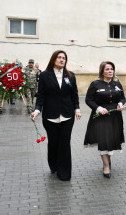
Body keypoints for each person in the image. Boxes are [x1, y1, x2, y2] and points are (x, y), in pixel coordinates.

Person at [31, 50, 81, 181]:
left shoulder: (70, 76)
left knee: (64, 143)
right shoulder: (45, 75)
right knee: (53, 142)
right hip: (50, 115)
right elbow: (41, 95)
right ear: (53, 59)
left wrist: (77, 109)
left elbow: (74, 94)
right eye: (59, 57)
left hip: (67, 114)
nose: (62, 60)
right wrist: (37, 110)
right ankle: (53, 164)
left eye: (64, 58)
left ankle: (64, 173)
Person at [84, 61, 126, 179]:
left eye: (112, 69)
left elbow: (122, 97)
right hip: (101, 117)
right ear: (102, 71)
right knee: (104, 141)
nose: (110, 71)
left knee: (111, 140)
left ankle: (108, 160)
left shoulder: (117, 83)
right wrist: (98, 108)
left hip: (115, 117)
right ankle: (106, 166)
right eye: (107, 69)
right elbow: (88, 100)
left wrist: (120, 103)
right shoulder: (95, 84)